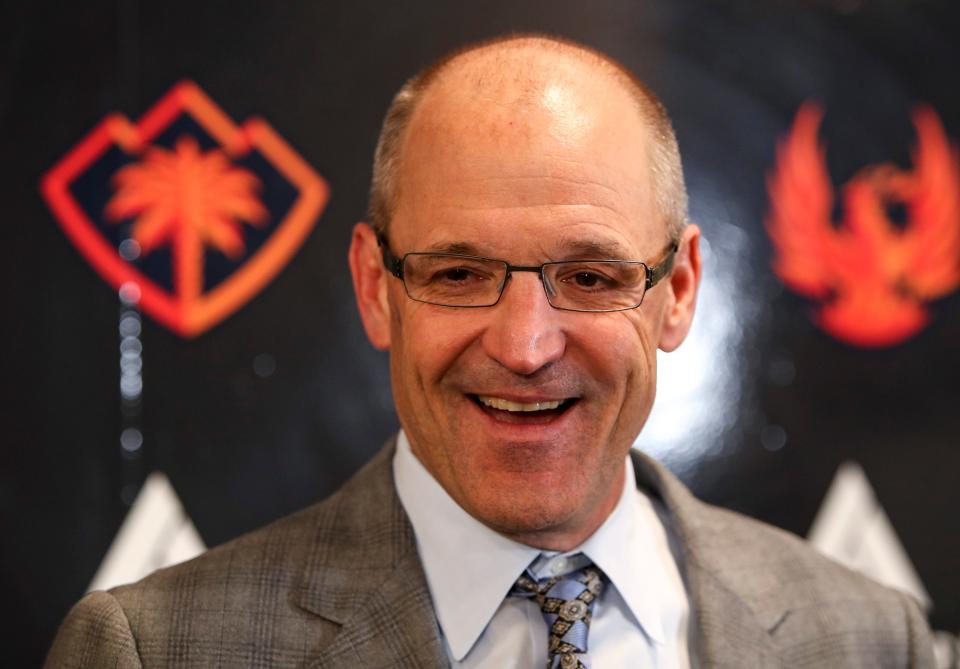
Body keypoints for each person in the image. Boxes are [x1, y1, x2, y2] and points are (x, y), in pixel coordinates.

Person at [45, 34, 933, 668]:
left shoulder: (867, 639)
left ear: (681, 290)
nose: (525, 345)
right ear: (373, 286)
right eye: (460, 273)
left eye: (590, 276)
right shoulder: (154, 651)